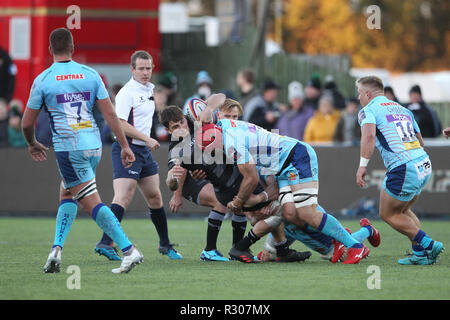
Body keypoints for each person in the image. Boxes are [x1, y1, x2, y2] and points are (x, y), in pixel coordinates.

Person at [21, 27, 142, 274]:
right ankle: (56, 250)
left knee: (89, 202)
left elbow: (26, 123)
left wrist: (32, 142)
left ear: (49, 50)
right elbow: (110, 114)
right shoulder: (90, 74)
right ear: (73, 48)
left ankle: (129, 250)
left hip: (69, 149)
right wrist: (125, 146)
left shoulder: (43, 80)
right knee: (67, 194)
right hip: (93, 145)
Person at [198, 93, 370, 264]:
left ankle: (354, 245)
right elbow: (219, 96)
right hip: (284, 164)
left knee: (307, 213)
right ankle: (336, 239)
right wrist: (208, 108)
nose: (215, 153)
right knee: (289, 214)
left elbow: (251, 178)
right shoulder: (221, 125)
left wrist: (240, 202)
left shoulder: (231, 144)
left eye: (214, 150)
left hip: (296, 157)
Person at [94, 50, 182, 261]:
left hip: (143, 151)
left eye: (148, 68)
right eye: (140, 68)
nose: (145, 72)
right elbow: (120, 125)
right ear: (132, 69)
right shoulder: (127, 93)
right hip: (127, 148)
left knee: (155, 196)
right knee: (123, 196)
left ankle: (164, 245)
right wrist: (149, 138)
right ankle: (105, 243)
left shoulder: (150, 89)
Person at [355, 76, 444, 265]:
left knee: (387, 214)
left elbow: (369, 136)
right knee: (403, 209)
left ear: (368, 93)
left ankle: (428, 244)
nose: (358, 98)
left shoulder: (367, 110)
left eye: (359, 93)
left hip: (404, 166)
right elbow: (420, 141)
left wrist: (362, 165)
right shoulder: (403, 109)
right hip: (423, 163)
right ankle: (420, 254)